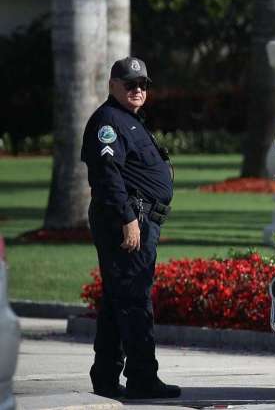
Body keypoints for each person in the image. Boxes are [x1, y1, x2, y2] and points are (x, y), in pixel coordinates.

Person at [81, 57, 180, 399]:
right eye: (130, 84)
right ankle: (142, 377)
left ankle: (106, 376)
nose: (138, 89)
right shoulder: (108, 122)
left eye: (143, 85)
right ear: (113, 85)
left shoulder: (128, 120)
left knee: (117, 300)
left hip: (139, 216)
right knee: (135, 299)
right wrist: (128, 220)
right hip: (127, 220)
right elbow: (106, 177)